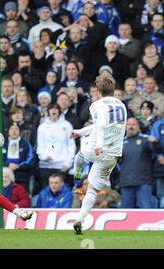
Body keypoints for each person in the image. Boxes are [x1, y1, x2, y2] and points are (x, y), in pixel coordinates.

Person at [70, 73, 127, 235]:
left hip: (95, 147)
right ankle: (80, 219)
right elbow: (101, 126)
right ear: (112, 89)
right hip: (112, 155)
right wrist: (80, 132)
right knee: (93, 190)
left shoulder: (96, 105)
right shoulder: (121, 105)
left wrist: (99, 144)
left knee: (80, 156)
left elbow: (100, 124)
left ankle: (77, 173)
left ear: (97, 91)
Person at [118, 117, 162, 208]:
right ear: (125, 127)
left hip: (143, 183)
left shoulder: (145, 139)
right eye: (129, 124)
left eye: (133, 124)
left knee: (146, 212)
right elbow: (113, 162)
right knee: (126, 213)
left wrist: (156, 142)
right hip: (126, 182)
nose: (131, 127)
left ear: (138, 127)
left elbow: (158, 150)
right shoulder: (120, 142)